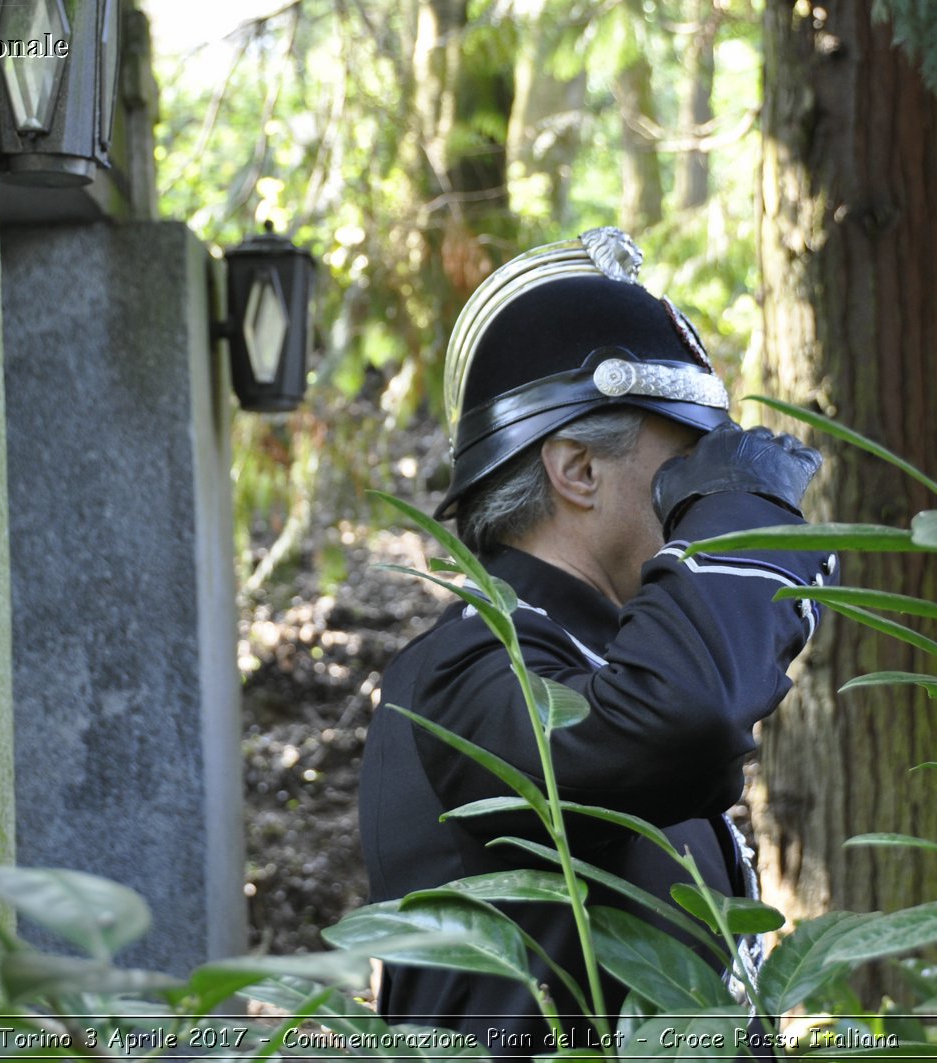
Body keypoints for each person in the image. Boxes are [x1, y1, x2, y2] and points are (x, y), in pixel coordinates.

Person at [357, 228, 836, 1057]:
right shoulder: (461, 672)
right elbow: (678, 716)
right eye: (687, 463)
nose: (701, 495)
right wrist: (745, 526)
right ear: (577, 470)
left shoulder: (603, 660)